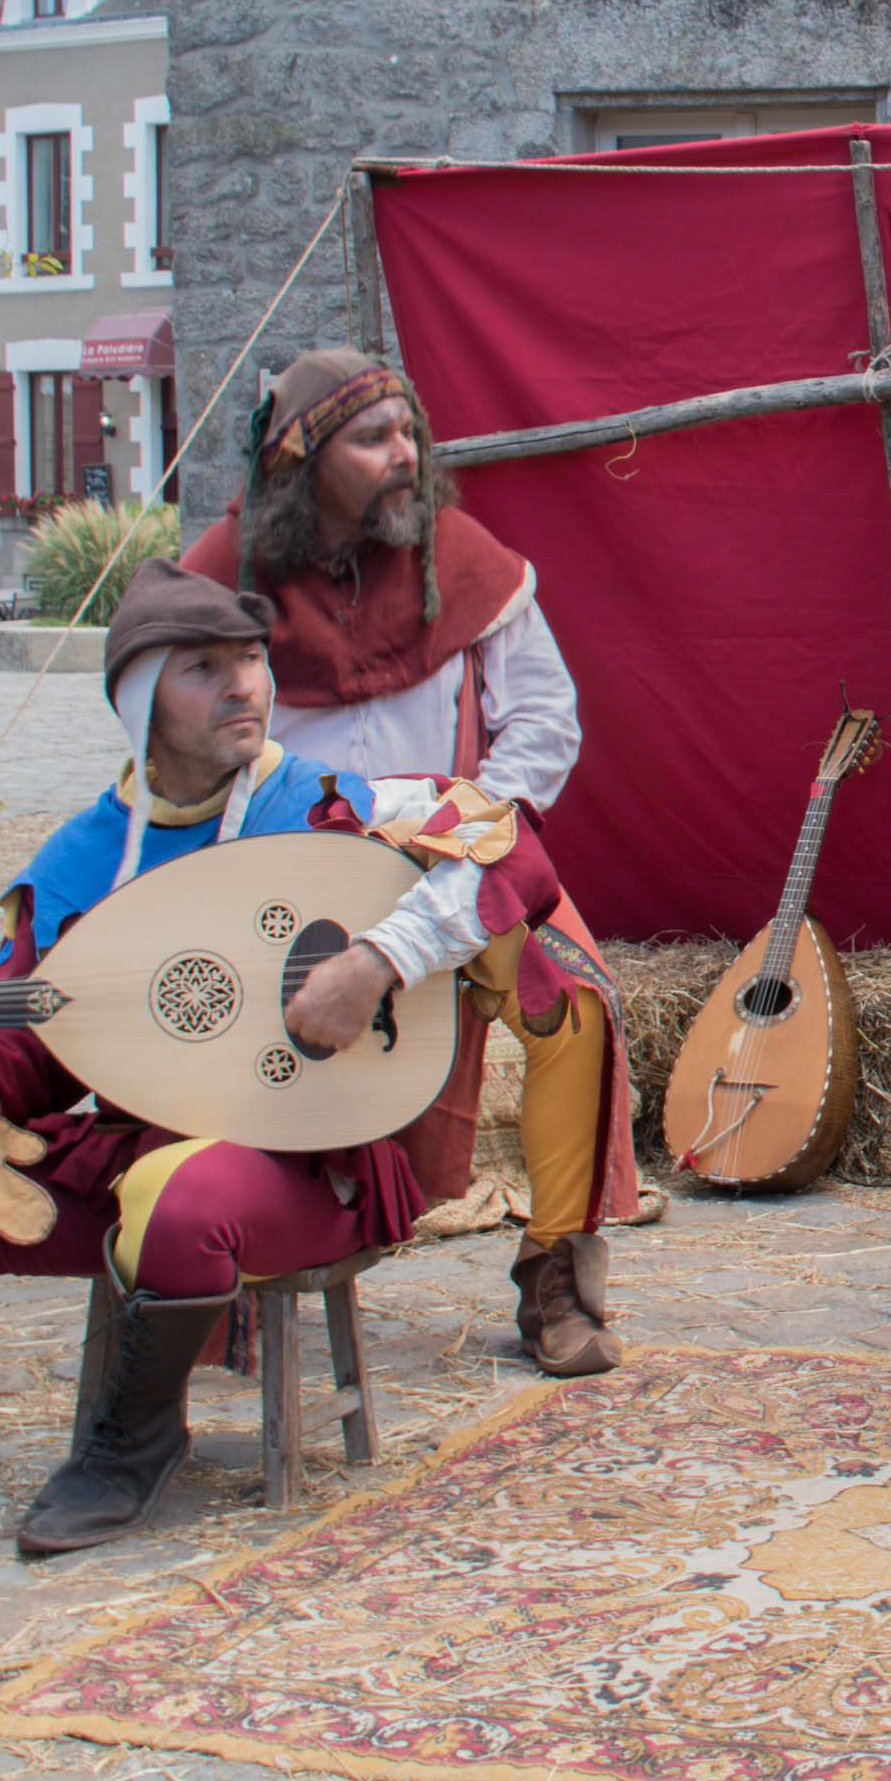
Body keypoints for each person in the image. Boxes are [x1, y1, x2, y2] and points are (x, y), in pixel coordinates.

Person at [0, 561, 615, 1643]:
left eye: (249, 658)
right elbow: (27, 1061)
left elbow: (511, 850)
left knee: (180, 1193)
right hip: (126, 1159)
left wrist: (382, 959)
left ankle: (131, 1440)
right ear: (140, 702)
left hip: (302, 1165)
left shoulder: (333, 806)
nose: (246, 684)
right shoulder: (74, 865)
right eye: (205, 669)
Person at [183, 350, 638, 1376]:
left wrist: (469, 824)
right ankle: (230, 1267)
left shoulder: (464, 561)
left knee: (571, 996)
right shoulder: (224, 578)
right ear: (303, 460)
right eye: (374, 437)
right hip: (282, 875)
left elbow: (545, 722)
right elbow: (177, 745)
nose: (406, 456)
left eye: (409, 433)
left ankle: (557, 1264)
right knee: (218, 1019)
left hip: (460, 855)